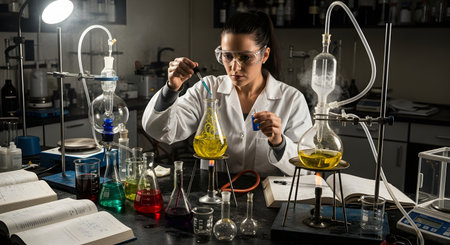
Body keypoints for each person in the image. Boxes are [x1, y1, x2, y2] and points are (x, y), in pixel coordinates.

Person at [142, 11, 312, 176]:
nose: (235, 67)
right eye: (228, 56)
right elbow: (161, 131)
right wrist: (171, 89)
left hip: (265, 197)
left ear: (264, 55)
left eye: (245, 57)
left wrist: (279, 143)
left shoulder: (291, 99)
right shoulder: (207, 89)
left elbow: (306, 169)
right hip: (214, 192)